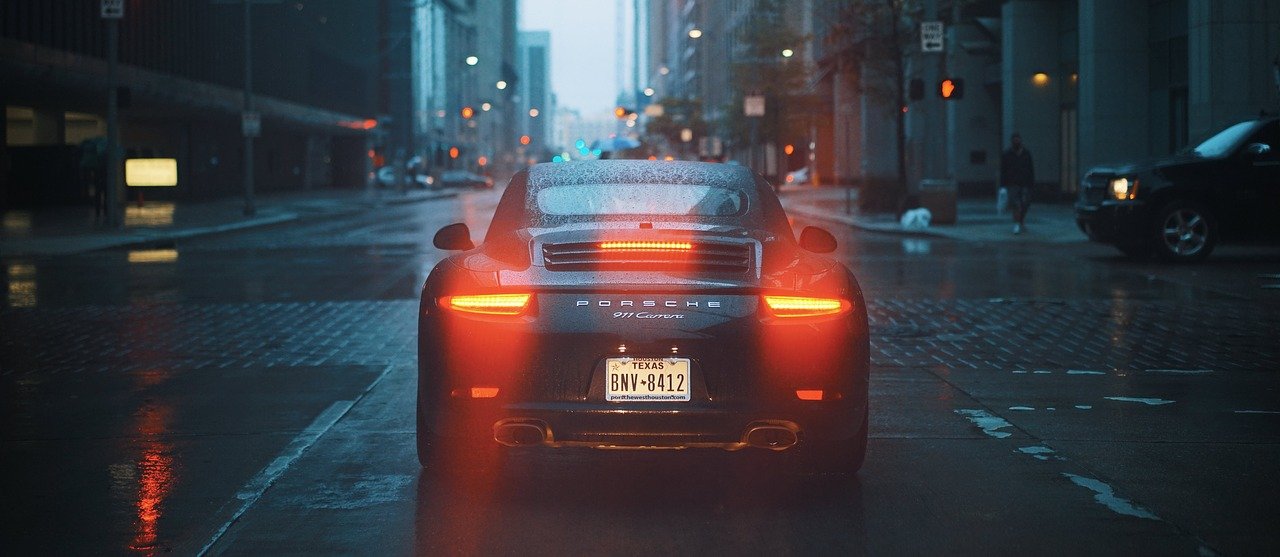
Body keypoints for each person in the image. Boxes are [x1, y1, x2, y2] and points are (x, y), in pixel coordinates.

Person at [1000, 132, 1034, 234]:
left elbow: (1030, 168)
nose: (1016, 141)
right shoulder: (1007, 154)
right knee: (1016, 204)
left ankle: (1020, 222)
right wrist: (1003, 184)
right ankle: (1017, 224)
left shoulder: (1026, 154)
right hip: (1012, 183)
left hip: (1025, 182)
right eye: (1014, 140)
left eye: (1017, 139)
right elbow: (1003, 170)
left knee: (1025, 204)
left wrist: (1031, 182)